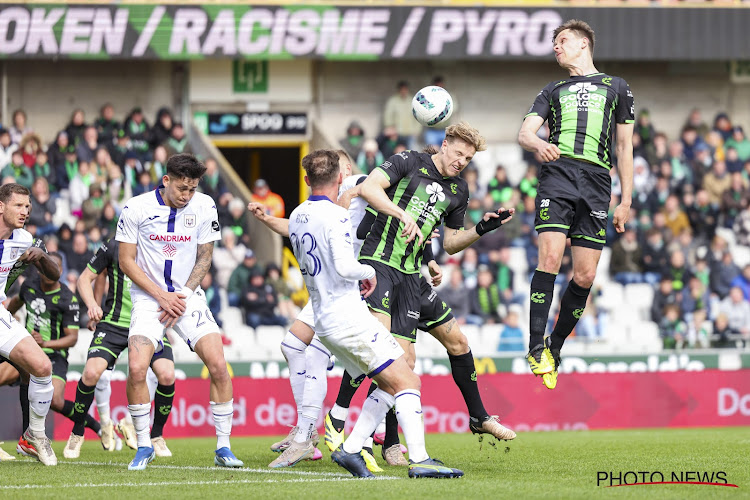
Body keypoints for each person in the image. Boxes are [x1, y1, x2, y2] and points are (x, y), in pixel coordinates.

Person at [288, 149, 462, 479]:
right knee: (408, 379)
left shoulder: (297, 215)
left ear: (307, 180)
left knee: (389, 380)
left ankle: (351, 448)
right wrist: (367, 271)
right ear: (341, 178)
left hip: (323, 320)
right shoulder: (337, 216)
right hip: (347, 317)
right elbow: (344, 265)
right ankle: (420, 459)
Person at [517, 19, 634, 389]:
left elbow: (624, 147)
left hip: (598, 181)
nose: (556, 47)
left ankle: (555, 344)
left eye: (562, 40)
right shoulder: (552, 90)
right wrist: (538, 144)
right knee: (549, 259)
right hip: (558, 174)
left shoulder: (617, 87)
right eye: (554, 42)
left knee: (584, 276)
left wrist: (626, 199)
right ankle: (536, 346)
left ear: (583, 44)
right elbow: (524, 132)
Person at [116, 153, 241, 471]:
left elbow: (205, 257)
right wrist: (162, 296)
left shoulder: (204, 205)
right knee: (136, 368)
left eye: (193, 189)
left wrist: (181, 297)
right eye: (182, 188)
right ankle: (145, 444)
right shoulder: (136, 207)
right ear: (166, 180)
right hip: (148, 299)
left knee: (219, 365)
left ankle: (223, 447)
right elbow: (126, 261)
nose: (187, 195)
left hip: (188, 296)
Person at [63, 238, 176, 460]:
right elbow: (85, 279)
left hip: (148, 323)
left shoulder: (161, 243)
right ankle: (77, 433)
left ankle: (156, 435)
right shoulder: (113, 245)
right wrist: (93, 305)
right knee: (92, 373)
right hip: (114, 324)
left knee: (166, 374)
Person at [7, 253, 103, 452]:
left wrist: (45, 342)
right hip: (26, 352)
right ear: (40, 269)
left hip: (54, 355)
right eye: (48, 266)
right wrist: (10, 319)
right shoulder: (29, 286)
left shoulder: (68, 298)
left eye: (57, 267)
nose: (52, 271)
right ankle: (26, 440)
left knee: (55, 401)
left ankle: (96, 427)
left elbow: (72, 338)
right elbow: (15, 303)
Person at [0, 183, 62, 465]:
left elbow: (55, 273)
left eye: (27, 207)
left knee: (42, 366)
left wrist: (42, 256)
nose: (25, 211)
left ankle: (34, 436)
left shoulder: (25, 239)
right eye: (18, 206)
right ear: (1, 206)